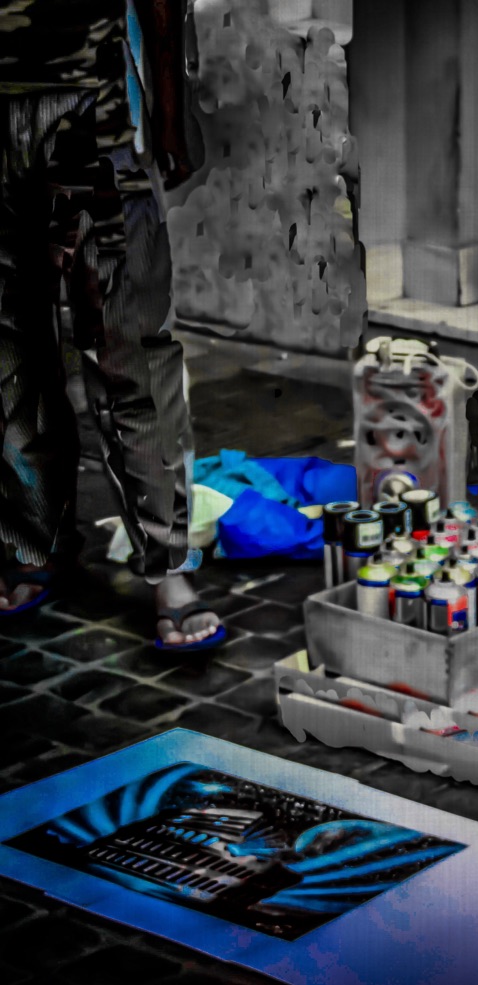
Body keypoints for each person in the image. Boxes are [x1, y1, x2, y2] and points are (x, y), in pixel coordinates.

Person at [0, 0, 224, 649]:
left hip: (92, 109)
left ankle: (168, 564)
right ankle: (34, 542)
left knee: (129, 345)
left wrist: (171, 113)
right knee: (10, 348)